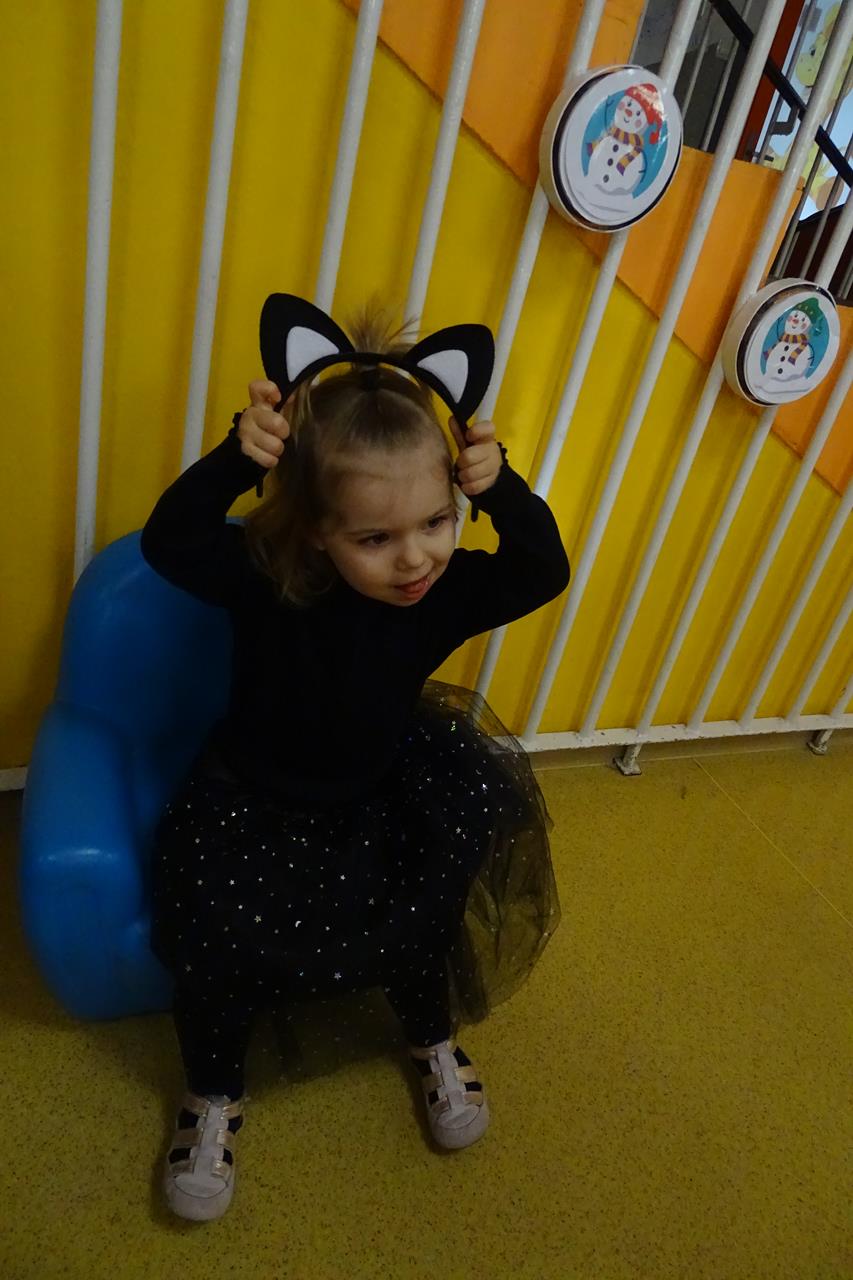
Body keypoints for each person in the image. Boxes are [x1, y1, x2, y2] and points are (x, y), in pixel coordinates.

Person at [140, 303, 571, 1222]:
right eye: (375, 538)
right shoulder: (267, 575)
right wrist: (237, 459)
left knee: (421, 920)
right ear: (313, 529)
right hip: (250, 798)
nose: (416, 559)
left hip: (380, 793)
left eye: (437, 521)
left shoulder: (440, 592)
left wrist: (499, 489)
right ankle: (212, 1090)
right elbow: (167, 543)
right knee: (218, 952)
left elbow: (542, 569)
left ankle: (429, 1038)